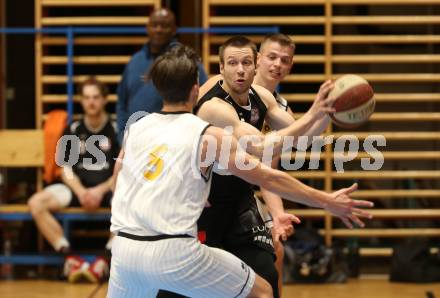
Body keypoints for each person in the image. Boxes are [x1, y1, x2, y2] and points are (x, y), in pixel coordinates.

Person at [107, 44, 373, 298]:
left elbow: (119, 183)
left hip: (124, 250)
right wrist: (327, 201)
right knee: (262, 291)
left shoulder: (136, 128)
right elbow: (267, 173)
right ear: (196, 88)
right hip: (175, 251)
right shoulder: (207, 135)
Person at [186, 36, 349, 298]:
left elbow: (305, 139)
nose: (240, 69)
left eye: (246, 63)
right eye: (233, 63)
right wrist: (313, 113)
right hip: (204, 205)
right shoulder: (214, 106)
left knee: (267, 272)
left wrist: (328, 112)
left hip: (240, 200)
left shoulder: (263, 98)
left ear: (254, 65)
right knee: (193, 289)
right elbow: (260, 147)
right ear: (221, 68)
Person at [28, 77, 120, 283]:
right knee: (36, 203)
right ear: (81, 100)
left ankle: (104, 260)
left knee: (132, 205)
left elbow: (121, 170)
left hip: (107, 189)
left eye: (96, 97)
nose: (91, 102)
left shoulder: (115, 129)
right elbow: (64, 169)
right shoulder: (74, 129)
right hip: (77, 190)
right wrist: (81, 192)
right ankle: (69, 257)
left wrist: (99, 191)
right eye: (86, 97)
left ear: (105, 100)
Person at [116, 7, 208, 143]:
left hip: (175, 142)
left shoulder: (186, 60)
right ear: (147, 28)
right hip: (136, 141)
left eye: (164, 26)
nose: (158, 29)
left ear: (174, 29)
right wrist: (122, 135)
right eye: (154, 25)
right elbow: (122, 102)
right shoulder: (135, 61)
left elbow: (204, 97)